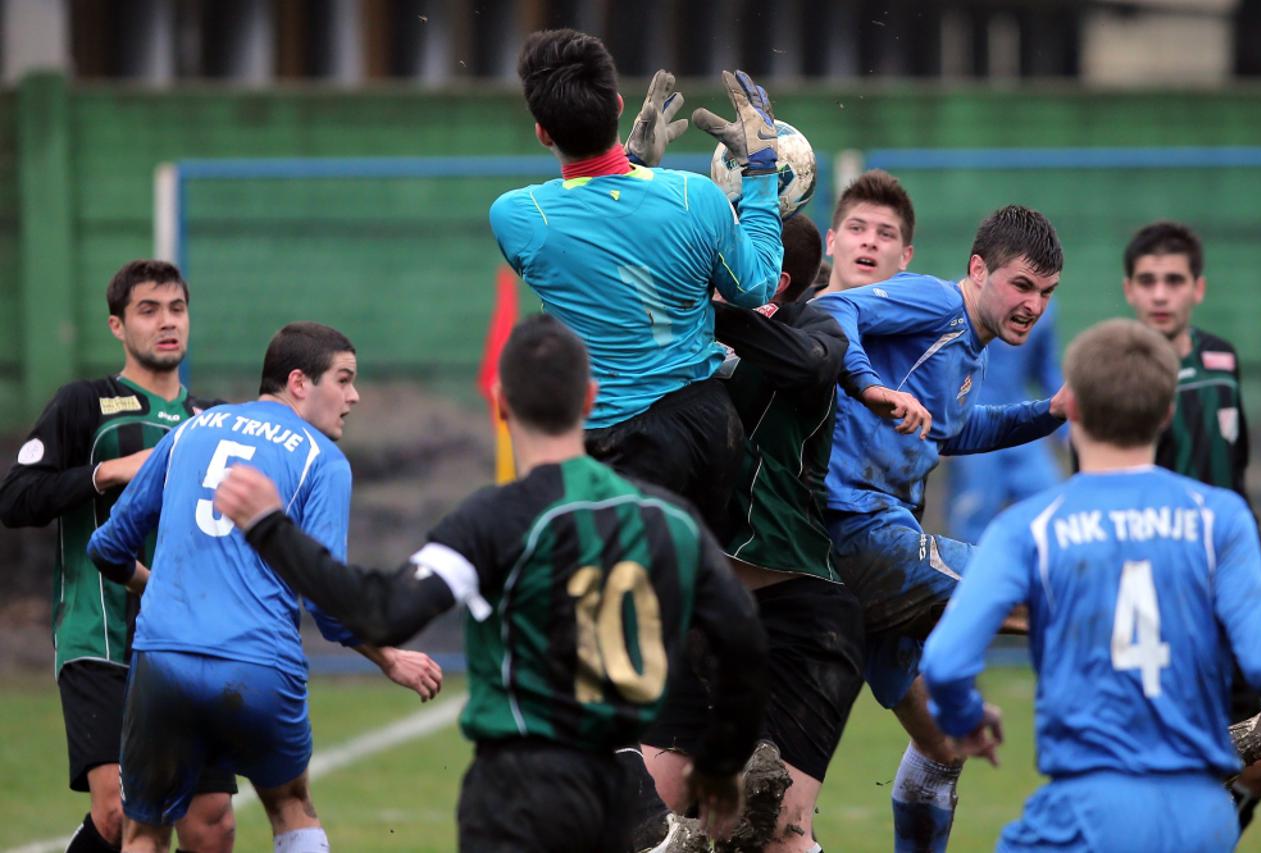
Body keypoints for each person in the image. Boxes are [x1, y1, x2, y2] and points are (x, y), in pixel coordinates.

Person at [212, 314, 769, 853]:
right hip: (616, 791)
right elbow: (743, 641)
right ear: (590, 400)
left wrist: (271, 528)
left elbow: (382, 612)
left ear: (500, 404)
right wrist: (720, 765)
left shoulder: (494, 521)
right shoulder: (667, 518)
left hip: (516, 794)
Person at [921, 317, 1261, 851]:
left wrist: (966, 718)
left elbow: (946, 662)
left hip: (1083, 816)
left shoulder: (1028, 527)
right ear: (1166, 413)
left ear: (1075, 409)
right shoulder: (1221, 517)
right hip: (1202, 817)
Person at [86, 322, 442, 853]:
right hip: (258, 664)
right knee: (290, 806)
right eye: (343, 380)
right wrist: (389, 657)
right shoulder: (322, 459)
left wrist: (158, 586)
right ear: (299, 382)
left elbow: (108, 547)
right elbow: (329, 603)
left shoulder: (188, 431)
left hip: (163, 659)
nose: (354, 396)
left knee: (145, 834)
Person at [814, 204, 1067, 851]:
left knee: (943, 743)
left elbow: (958, 431)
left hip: (879, 546)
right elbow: (834, 312)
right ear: (978, 269)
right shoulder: (935, 302)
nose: (1033, 304)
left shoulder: (968, 351)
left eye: (1045, 292)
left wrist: (1052, 411)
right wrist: (871, 389)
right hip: (860, 530)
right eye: (1021, 284)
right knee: (1035, 590)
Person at [489, 28, 783, 536]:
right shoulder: (697, 198)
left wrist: (634, 162)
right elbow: (756, 287)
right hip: (706, 432)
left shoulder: (519, 216)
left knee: (629, 596)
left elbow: (599, 227)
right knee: (694, 580)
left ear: (542, 131)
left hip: (612, 444)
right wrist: (759, 174)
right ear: (619, 105)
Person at [641, 214, 862, 853]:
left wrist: (717, 308)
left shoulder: (817, 327)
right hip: (698, 611)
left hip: (797, 618)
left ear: (774, 279)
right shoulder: (680, 334)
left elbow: (812, 369)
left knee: (779, 835)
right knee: (661, 814)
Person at [0, 260, 236, 853]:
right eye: (148, 310)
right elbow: (15, 498)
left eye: (176, 309)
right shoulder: (84, 403)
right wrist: (108, 472)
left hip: (190, 643)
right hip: (100, 635)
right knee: (118, 815)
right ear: (117, 325)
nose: (166, 323)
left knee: (212, 826)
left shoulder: (213, 420)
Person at [1121, 219, 1261, 831]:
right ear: (1129, 289)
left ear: (1199, 289)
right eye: (1149, 281)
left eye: (1174, 281)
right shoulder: (1115, 376)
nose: (1161, 294)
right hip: (1161, 606)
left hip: (1231, 595)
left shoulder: (1221, 361)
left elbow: (1233, 482)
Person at [946, 303, 1065, 543]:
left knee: (1050, 501)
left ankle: (1037, 575)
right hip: (973, 422)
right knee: (976, 509)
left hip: (1021, 421)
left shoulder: (1042, 311)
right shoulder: (960, 304)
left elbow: (1046, 370)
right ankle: (969, 577)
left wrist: (1069, 430)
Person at [823, 169, 915, 294]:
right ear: (831, 242)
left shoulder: (927, 312)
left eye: (886, 234)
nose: (870, 241)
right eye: (856, 228)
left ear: (905, 257)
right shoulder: (790, 310)